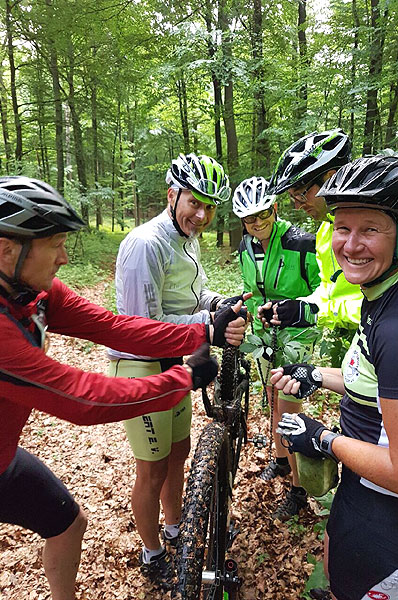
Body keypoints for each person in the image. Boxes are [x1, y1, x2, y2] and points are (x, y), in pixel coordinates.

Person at [0, 176, 246, 600]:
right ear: (7, 250)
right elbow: (82, 398)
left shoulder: (31, 293)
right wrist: (184, 378)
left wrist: (204, 332)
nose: (64, 257)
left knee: (68, 524)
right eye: (55, 244)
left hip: (3, 458)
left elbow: (113, 327)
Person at [272, 156, 398, 600]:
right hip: (370, 488)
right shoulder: (389, 295)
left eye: (370, 229)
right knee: (336, 564)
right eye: (342, 227)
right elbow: (377, 382)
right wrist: (317, 375)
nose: (350, 245)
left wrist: (322, 439)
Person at [109, 153, 250, 587]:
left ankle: (175, 530)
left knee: (178, 453)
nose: (202, 215)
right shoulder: (145, 244)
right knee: (151, 469)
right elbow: (141, 328)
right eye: (195, 203)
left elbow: (191, 294)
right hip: (141, 366)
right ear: (172, 196)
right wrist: (209, 325)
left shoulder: (187, 238)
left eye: (209, 206)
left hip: (176, 361)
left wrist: (219, 304)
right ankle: (152, 555)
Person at [232, 176, 320, 520]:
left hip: (297, 335)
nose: (257, 223)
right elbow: (252, 289)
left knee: (288, 411)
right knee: (273, 399)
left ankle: (299, 490)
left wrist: (298, 308)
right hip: (264, 334)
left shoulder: (302, 243)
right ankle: (282, 461)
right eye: (249, 218)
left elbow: (323, 294)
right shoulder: (246, 246)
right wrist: (250, 309)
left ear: (275, 208)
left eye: (263, 214)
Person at [266, 129, 363, 335]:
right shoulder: (325, 232)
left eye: (301, 195)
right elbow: (329, 291)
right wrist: (295, 307)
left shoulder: (378, 229)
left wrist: (315, 314)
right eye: (293, 198)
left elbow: (386, 304)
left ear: (331, 179)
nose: (297, 206)